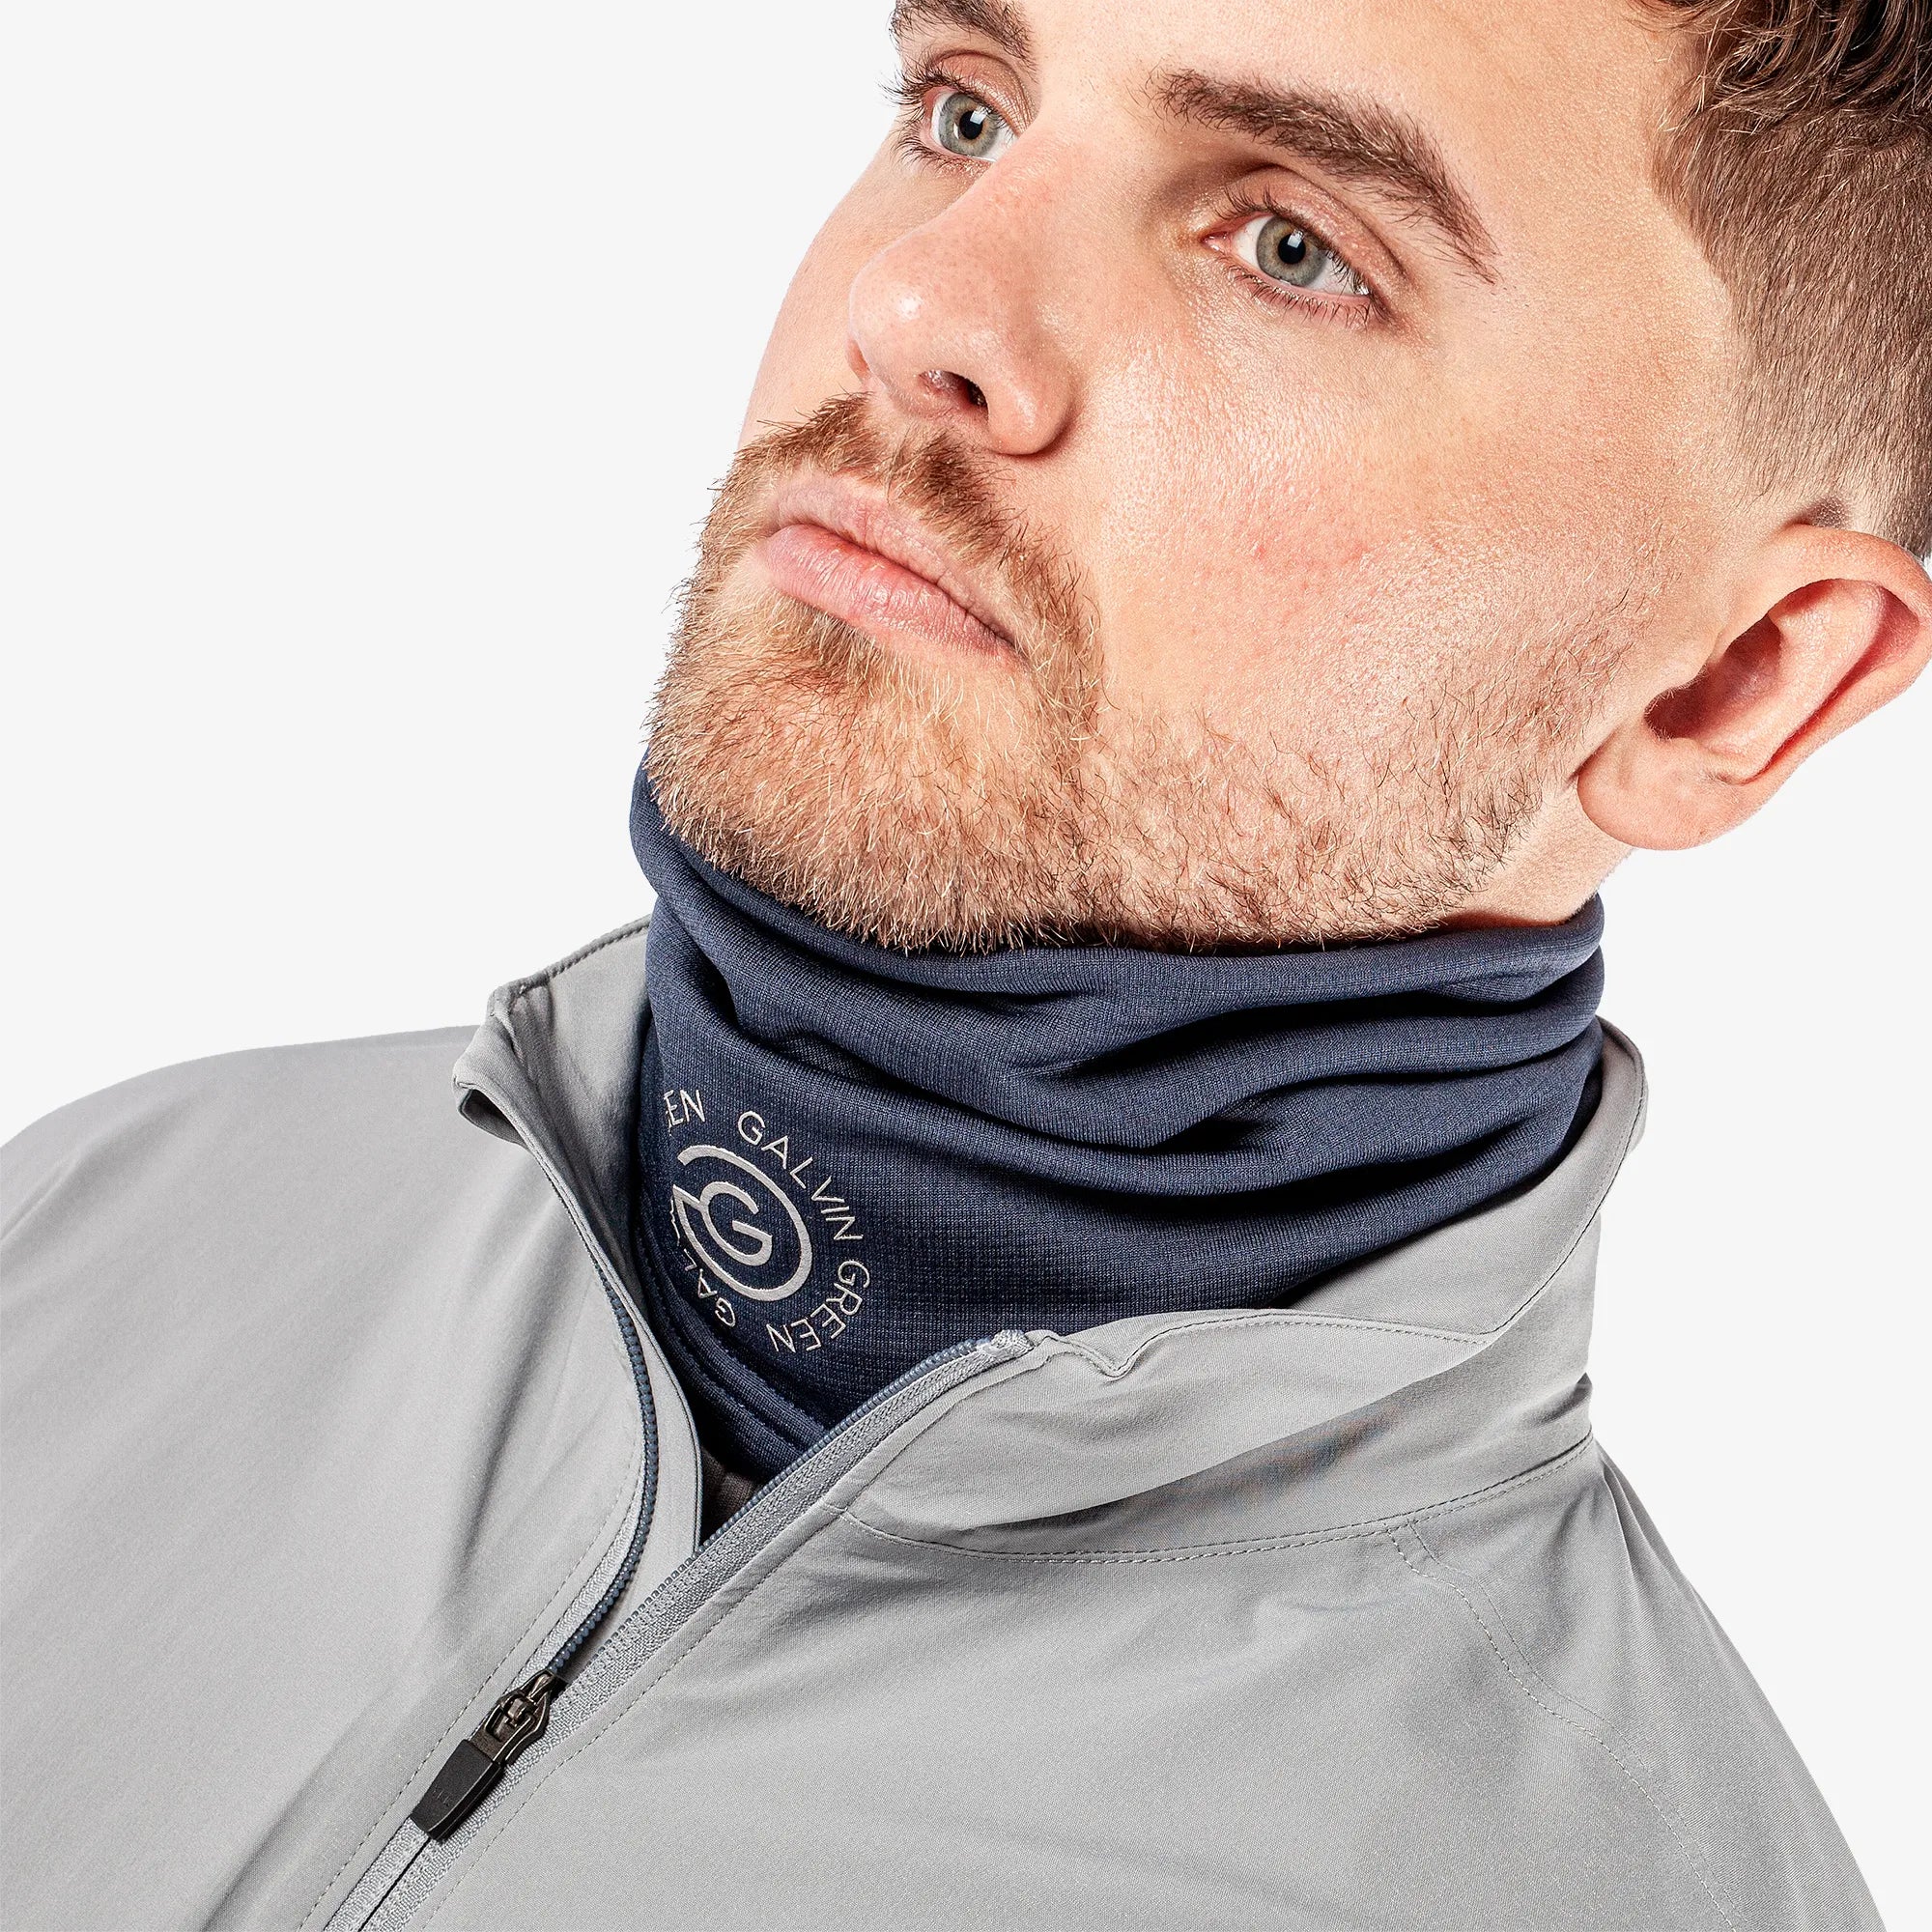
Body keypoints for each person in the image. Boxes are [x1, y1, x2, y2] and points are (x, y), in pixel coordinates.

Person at [4, 0, 1926, 1923]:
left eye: (1290, 245)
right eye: (965, 110)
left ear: (1734, 685)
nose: (916, 302)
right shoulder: (113, 1224)